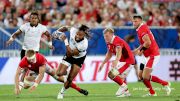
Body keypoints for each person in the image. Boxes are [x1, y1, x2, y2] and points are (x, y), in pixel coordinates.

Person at [14, 50, 88, 96]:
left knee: (60, 78)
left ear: (35, 55)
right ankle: (22, 84)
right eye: (30, 60)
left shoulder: (40, 58)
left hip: (43, 67)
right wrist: (17, 86)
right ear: (26, 58)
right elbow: (17, 74)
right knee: (26, 86)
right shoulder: (23, 61)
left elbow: (41, 75)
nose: (32, 61)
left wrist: (35, 85)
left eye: (33, 59)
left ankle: (79, 89)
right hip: (34, 70)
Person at [132, 15, 171, 96]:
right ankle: (152, 93)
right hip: (146, 56)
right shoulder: (141, 28)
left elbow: (148, 43)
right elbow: (144, 43)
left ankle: (165, 83)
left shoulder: (142, 29)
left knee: (145, 76)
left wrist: (141, 51)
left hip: (152, 55)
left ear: (140, 21)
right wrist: (137, 50)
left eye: (136, 21)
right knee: (141, 76)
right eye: (133, 21)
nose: (134, 23)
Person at [52, 24, 90, 99]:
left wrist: (65, 40)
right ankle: (66, 73)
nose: (78, 36)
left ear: (84, 35)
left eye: (80, 35)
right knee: (59, 73)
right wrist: (57, 31)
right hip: (69, 55)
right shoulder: (73, 30)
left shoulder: (84, 44)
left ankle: (61, 92)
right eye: (77, 34)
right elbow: (65, 27)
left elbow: (71, 53)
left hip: (78, 58)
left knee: (70, 79)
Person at [98, 28, 135, 97]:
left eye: (107, 36)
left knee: (111, 74)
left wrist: (116, 60)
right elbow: (109, 54)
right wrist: (103, 63)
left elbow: (119, 52)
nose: (105, 38)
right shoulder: (109, 42)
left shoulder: (117, 41)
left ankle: (124, 87)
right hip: (123, 61)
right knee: (120, 77)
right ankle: (126, 93)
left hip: (128, 61)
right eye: (104, 36)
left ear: (112, 35)